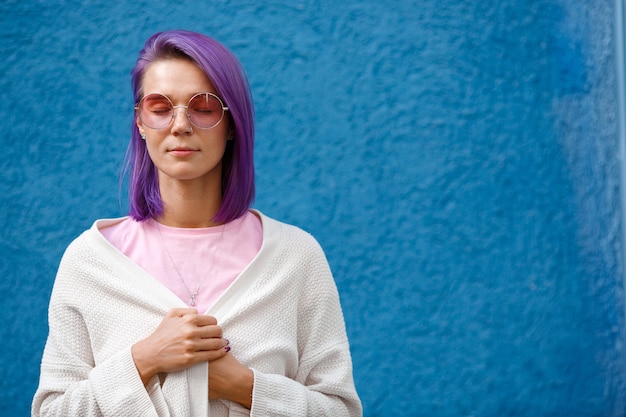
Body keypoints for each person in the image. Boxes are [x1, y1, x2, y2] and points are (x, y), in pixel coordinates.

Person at [32, 30, 362, 417]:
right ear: (139, 121)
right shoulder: (89, 262)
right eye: (159, 107)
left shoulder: (296, 256)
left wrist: (242, 386)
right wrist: (143, 361)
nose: (180, 125)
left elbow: (340, 410)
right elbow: (52, 411)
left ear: (232, 121)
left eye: (203, 107)